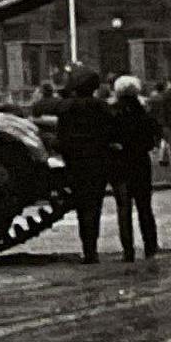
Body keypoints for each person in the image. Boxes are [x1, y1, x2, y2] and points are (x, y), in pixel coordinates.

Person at [55, 67, 118, 263]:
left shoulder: (66, 107)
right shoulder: (101, 107)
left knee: (81, 206)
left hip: (75, 161)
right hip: (98, 159)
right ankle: (92, 248)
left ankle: (87, 247)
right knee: (94, 205)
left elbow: (61, 136)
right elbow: (111, 131)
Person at [107, 74, 164, 260]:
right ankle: (150, 246)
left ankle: (128, 250)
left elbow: (107, 137)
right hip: (140, 162)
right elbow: (153, 136)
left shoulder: (112, 112)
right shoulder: (144, 111)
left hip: (120, 163)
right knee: (144, 206)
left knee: (123, 208)